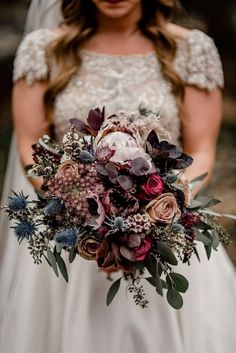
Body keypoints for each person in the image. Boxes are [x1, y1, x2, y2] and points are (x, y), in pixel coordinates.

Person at [0, 0, 235, 352]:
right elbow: (30, 145)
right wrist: (82, 212)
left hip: (165, 234)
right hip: (73, 237)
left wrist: (159, 213)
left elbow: (200, 149)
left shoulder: (191, 50)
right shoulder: (44, 50)